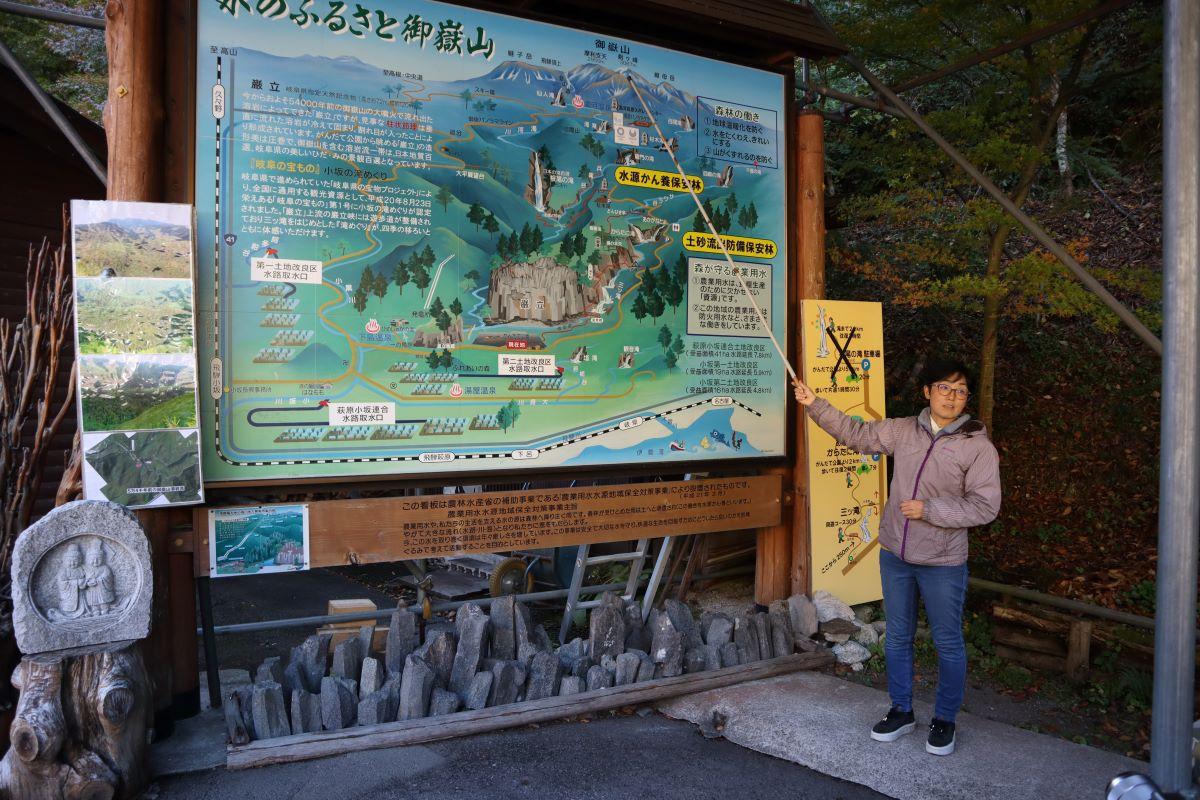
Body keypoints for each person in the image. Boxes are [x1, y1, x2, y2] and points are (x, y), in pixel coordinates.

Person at [794, 357, 1001, 756]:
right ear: (927, 391)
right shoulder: (904, 430)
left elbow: (985, 506)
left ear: (967, 399)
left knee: (947, 642)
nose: (951, 397)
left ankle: (945, 719)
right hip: (896, 555)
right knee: (898, 638)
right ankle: (901, 710)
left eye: (960, 391)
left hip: (943, 562)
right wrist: (815, 404)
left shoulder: (978, 447)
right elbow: (857, 434)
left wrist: (930, 510)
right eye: (944, 387)